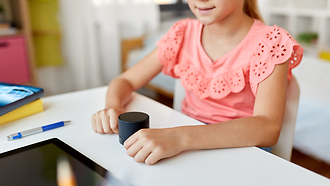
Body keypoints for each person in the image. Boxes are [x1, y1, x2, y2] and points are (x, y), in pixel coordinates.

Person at [91, 0, 303, 165]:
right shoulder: (183, 33)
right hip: (188, 147)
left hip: (241, 150)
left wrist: (180, 138)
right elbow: (126, 80)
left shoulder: (271, 41)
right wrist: (113, 106)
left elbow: (267, 127)